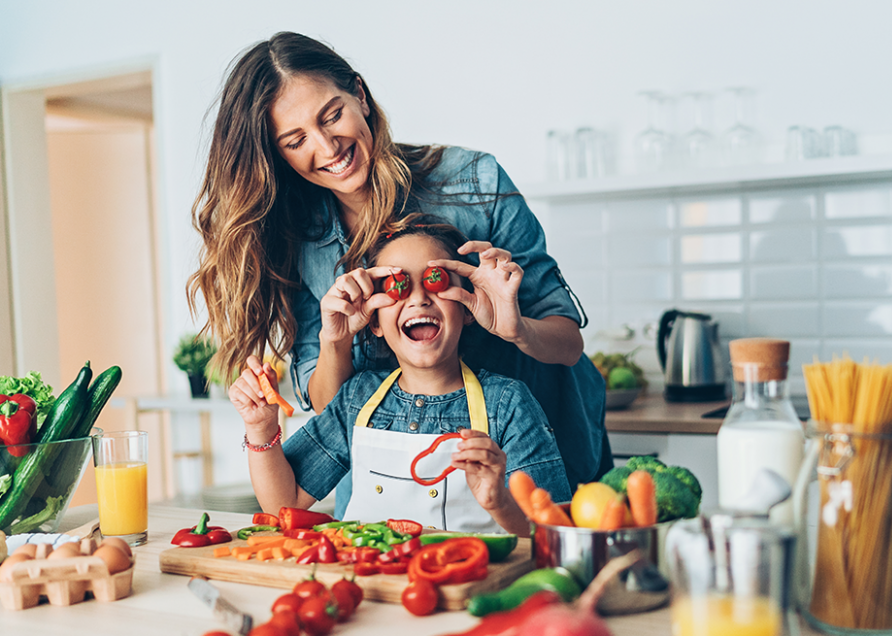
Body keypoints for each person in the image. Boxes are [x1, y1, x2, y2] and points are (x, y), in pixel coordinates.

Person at [187, 31, 611, 512]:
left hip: (527, 454)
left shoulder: (475, 181)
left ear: (360, 96)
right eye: (295, 139)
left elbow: (567, 341)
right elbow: (330, 406)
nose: (328, 147)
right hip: (390, 479)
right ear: (276, 153)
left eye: (332, 115)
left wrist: (517, 330)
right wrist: (335, 340)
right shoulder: (292, 236)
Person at [230, 221, 570, 534]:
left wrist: (499, 502)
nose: (419, 299)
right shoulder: (357, 398)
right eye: (398, 287)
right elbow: (283, 504)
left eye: (436, 281)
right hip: (367, 589)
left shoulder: (508, 403)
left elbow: (552, 534)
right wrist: (260, 428)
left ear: (467, 308)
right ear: (374, 321)